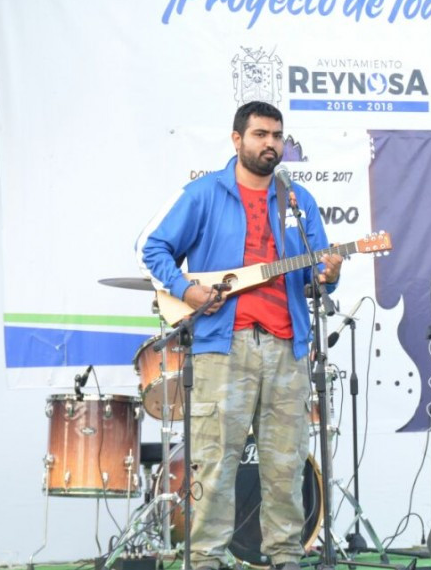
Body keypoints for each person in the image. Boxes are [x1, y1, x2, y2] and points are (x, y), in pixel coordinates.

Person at [137, 101, 342, 570]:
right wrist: (186, 290)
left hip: (287, 347)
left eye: (277, 135)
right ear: (237, 139)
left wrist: (329, 273)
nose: (271, 143)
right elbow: (152, 246)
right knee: (214, 460)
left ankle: (286, 555)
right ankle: (205, 558)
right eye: (261, 134)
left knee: (286, 461)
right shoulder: (205, 193)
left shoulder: (297, 199)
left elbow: (317, 274)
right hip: (222, 345)